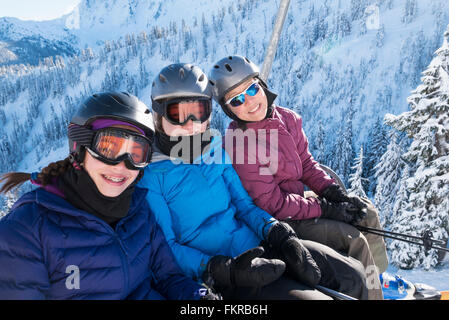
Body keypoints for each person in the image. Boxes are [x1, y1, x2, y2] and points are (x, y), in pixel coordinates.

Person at [139, 63, 370, 300]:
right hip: (225, 275)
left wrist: (276, 231)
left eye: (198, 111)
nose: (190, 124)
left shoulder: (214, 149)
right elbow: (166, 248)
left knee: (353, 275)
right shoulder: (151, 176)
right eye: (177, 113)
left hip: (258, 246)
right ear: (159, 116)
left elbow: (245, 205)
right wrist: (219, 269)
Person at [0, 91, 216, 300]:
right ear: (80, 148)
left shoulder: (138, 209)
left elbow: (168, 277)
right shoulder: (26, 231)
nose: (122, 164)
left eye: (136, 153)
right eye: (109, 147)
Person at [209, 55, 389, 300]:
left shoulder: (287, 118)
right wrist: (325, 208)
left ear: (261, 84)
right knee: (353, 239)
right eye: (237, 99)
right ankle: (371, 293)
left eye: (252, 88)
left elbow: (306, 164)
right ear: (228, 110)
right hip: (281, 220)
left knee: (364, 212)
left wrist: (330, 191)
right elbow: (273, 204)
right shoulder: (241, 145)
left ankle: (375, 279)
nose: (250, 102)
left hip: (297, 200)